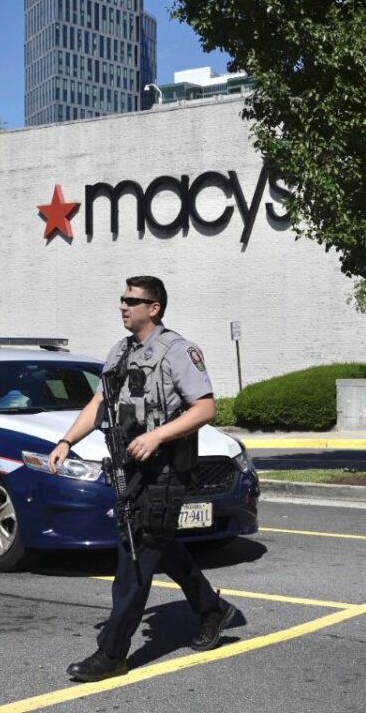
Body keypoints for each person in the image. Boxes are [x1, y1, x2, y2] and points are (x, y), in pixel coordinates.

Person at [48, 276, 238, 682]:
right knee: (160, 545)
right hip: (130, 467)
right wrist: (67, 441)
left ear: (154, 308)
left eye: (133, 300)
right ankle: (213, 611)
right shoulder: (120, 352)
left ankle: (112, 654)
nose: (123, 306)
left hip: (166, 468)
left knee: (135, 553)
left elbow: (205, 409)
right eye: (122, 298)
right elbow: (99, 401)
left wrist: (157, 435)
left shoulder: (178, 351)